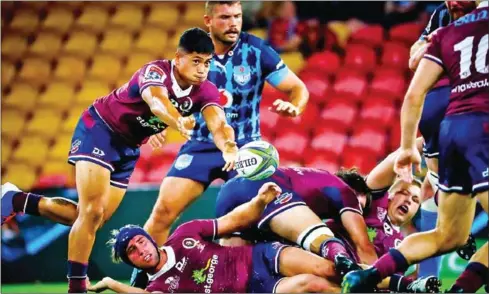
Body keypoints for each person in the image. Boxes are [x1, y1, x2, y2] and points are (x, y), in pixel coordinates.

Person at [1, 28, 239, 293]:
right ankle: (76, 286)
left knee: (92, 218)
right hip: (100, 129)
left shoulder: (204, 90)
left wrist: (228, 145)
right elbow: (157, 102)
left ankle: (15, 200)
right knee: (91, 213)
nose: (202, 69)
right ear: (178, 58)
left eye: (207, 62)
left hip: (128, 148)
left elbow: (218, 122)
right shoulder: (156, 72)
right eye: (196, 60)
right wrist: (175, 120)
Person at [342, 2, 489, 292]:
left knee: (448, 235)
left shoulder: (446, 32)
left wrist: (407, 147)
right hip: (482, 124)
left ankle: (366, 277)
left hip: (449, 129)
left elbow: (413, 94)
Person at [142, 0, 309, 249]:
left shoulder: (257, 51)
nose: (233, 24)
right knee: (162, 213)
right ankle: (144, 283)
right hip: (201, 145)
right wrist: (157, 125)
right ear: (208, 21)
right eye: (225, 18)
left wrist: (295, 105)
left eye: (237, 16)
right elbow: (168, 97)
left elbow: (297, 88)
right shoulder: (192, 54)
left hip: (246, 148)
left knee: (245, 225)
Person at [86, 183, 340, 293]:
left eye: (140, 241)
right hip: (255, 289)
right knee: (311, 284)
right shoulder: (158, 287)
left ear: (150, 239)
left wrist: (259, 201)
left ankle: (377, 281)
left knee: (326, 267)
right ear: (132, 263)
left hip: (260, 257)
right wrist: (111, 282)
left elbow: (234, 221)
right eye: (131, 251)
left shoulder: (185, 233)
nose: (140, 250)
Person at [408, 1, 477, 277]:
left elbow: (415, 63)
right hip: (458, 107)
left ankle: (427, 276)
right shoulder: (442, 14)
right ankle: (427, 278)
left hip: (444, 104)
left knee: (431, 187)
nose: (452, 2)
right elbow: (413, 58)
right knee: (435, 185)